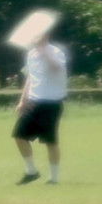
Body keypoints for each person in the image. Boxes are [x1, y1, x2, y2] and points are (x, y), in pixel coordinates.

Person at [12, 33, 69, 185]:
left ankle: (54, 179)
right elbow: (31, 77)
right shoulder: (31, 54)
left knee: (50, 141)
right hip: (33, 101)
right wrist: (22, 100)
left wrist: (44, 53)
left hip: (52, 103)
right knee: (19, 135)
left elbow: (57, 68)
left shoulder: (56, 52)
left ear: (45, 37)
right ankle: (31, 171)